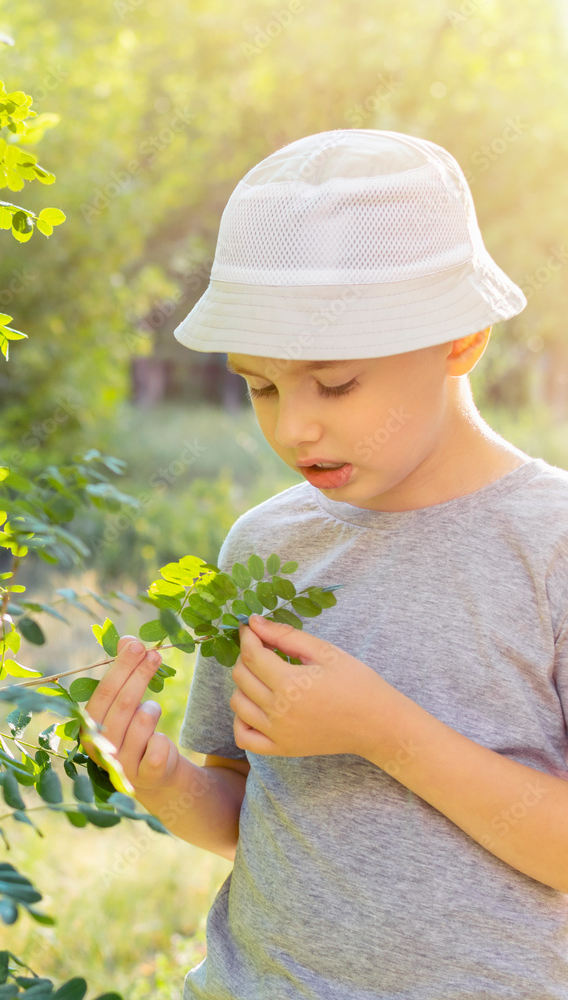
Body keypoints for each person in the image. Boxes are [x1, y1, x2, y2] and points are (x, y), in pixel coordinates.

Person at [83, 130, 568, 998]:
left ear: (460, 339)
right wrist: (159, 778)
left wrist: (382, 732)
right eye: (259, 386)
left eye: (333, 385)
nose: (291, 428)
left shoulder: (549, 543)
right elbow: (243, 812)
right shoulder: (266, 546)